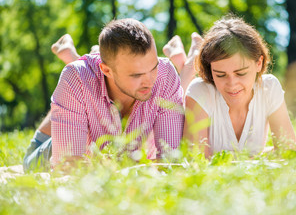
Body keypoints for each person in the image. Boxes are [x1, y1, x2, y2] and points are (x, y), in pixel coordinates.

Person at [23, 18, 192, 171]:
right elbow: (68, 168)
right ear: (106, 70)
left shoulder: (165, 73)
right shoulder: (75, 78)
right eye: (136, 75)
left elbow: (170, 161)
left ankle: (81, 56)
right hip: (58, 143)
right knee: (29, 164)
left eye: (153, 68)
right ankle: (80, 61)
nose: (150, 81)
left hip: (118, 153)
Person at [183, 15, 296, 158]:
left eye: (241, 73)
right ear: (211, 70)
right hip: (188, 95)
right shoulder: (200, 91)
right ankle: (191, 57)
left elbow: (288, 153)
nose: (232, 84)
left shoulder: (269, 88)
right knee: (182, 87)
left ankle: (195, 51)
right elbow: (195, 164)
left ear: (258, 63)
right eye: (220, 75)